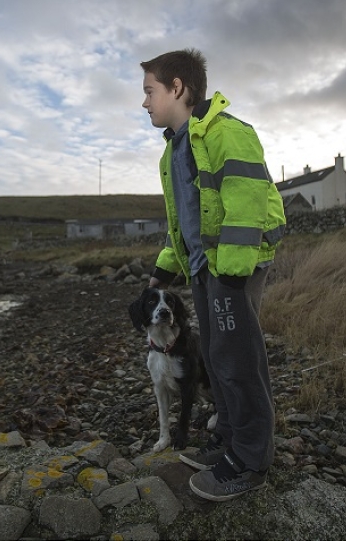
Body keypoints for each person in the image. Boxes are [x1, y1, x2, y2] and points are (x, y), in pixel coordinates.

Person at [139, 48, 286, 501]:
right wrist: (163, 271)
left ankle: (249, 460)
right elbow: (183, 221)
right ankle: (228, 441)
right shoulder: (175, 150)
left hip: (231, 266)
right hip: (205, 268)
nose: (144, 103)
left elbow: (247, 198)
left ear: (177, 88)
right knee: (216, 357)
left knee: (237, 359)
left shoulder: (227, 133)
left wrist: (233, 272)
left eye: (149, 91)